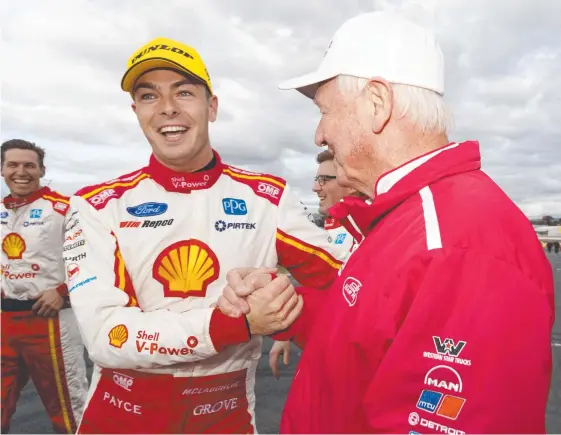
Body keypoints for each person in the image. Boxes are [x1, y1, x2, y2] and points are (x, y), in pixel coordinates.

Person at [218, 11, 555, 434]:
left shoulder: (454, 242)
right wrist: (287, 305)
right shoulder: (405, 216)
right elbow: (368, 334)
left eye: (324, 111)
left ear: (377, 104)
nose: (319, 135)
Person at [62, 37, 344, 434]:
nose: (167, 108)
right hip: (121, 414)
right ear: (136, 111)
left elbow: (346, 285)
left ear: (212, 107)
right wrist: (236, 325)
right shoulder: (95, 205)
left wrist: (282, 306)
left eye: (184, 92)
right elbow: (105, 336)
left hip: (224, 415)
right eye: (148, 95)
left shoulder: (267, 198)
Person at [1, 139, 88, 434]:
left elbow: (95, 260)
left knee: (69, 407)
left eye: (29, 165)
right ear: (2, 170)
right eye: (13, 165)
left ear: (41, 170)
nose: (21, 172)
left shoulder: (65, 209)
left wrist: (63, 292)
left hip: (50, 322)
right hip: (5, 322)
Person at [269, 149, 357, 378]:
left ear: (350, 181)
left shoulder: (371, 231)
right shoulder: (334, 226)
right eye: (316, 179)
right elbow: (319, 286)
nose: (315, 187)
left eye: (323, 180)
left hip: (348, 367)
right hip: (323, 363)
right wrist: (284, 331)